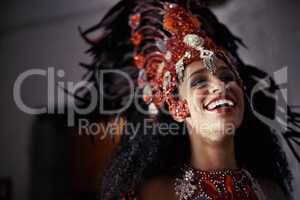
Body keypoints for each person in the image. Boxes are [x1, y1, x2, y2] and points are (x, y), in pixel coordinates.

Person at [76, 0, 300, 199]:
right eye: (199, 82)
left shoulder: (272, 192)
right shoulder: (152, 194)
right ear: (177, 107)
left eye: (227, 77)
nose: (220, 85)